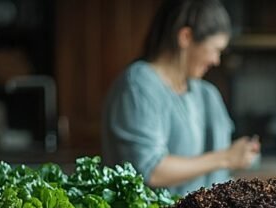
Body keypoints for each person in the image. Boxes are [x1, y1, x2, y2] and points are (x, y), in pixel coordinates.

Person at [102, 0, 260, 196]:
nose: (216, 60)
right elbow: (150, 170)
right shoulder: (139, 85)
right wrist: (226, 157)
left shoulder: (206, 93)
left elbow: (218, 171)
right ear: (186, 37)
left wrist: (241, 155)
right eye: (215, 49)